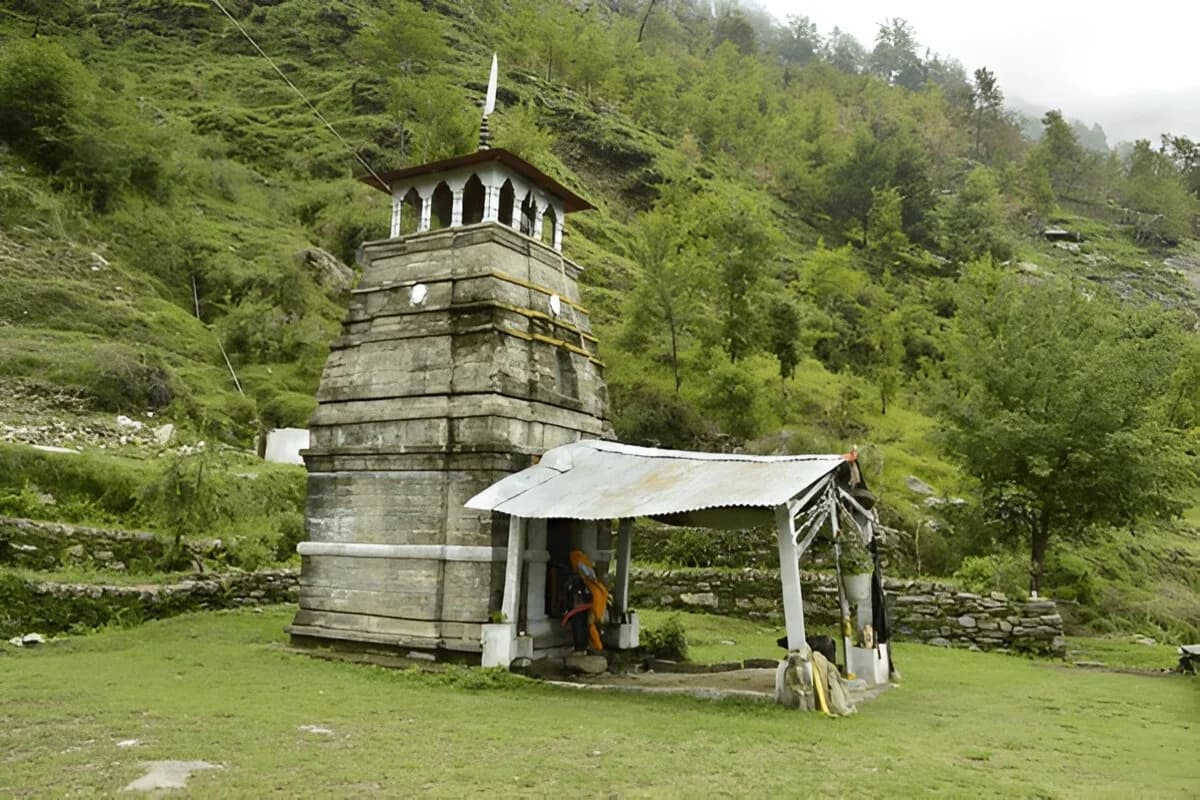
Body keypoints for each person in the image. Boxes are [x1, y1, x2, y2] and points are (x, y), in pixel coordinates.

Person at [560, 549, 608, 653]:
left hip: (591, 605)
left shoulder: (585, 576)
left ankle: (596, 647)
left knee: (589, 626)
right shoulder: (582, 576)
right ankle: (592, 647)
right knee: (588, 627)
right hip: (589, 604)